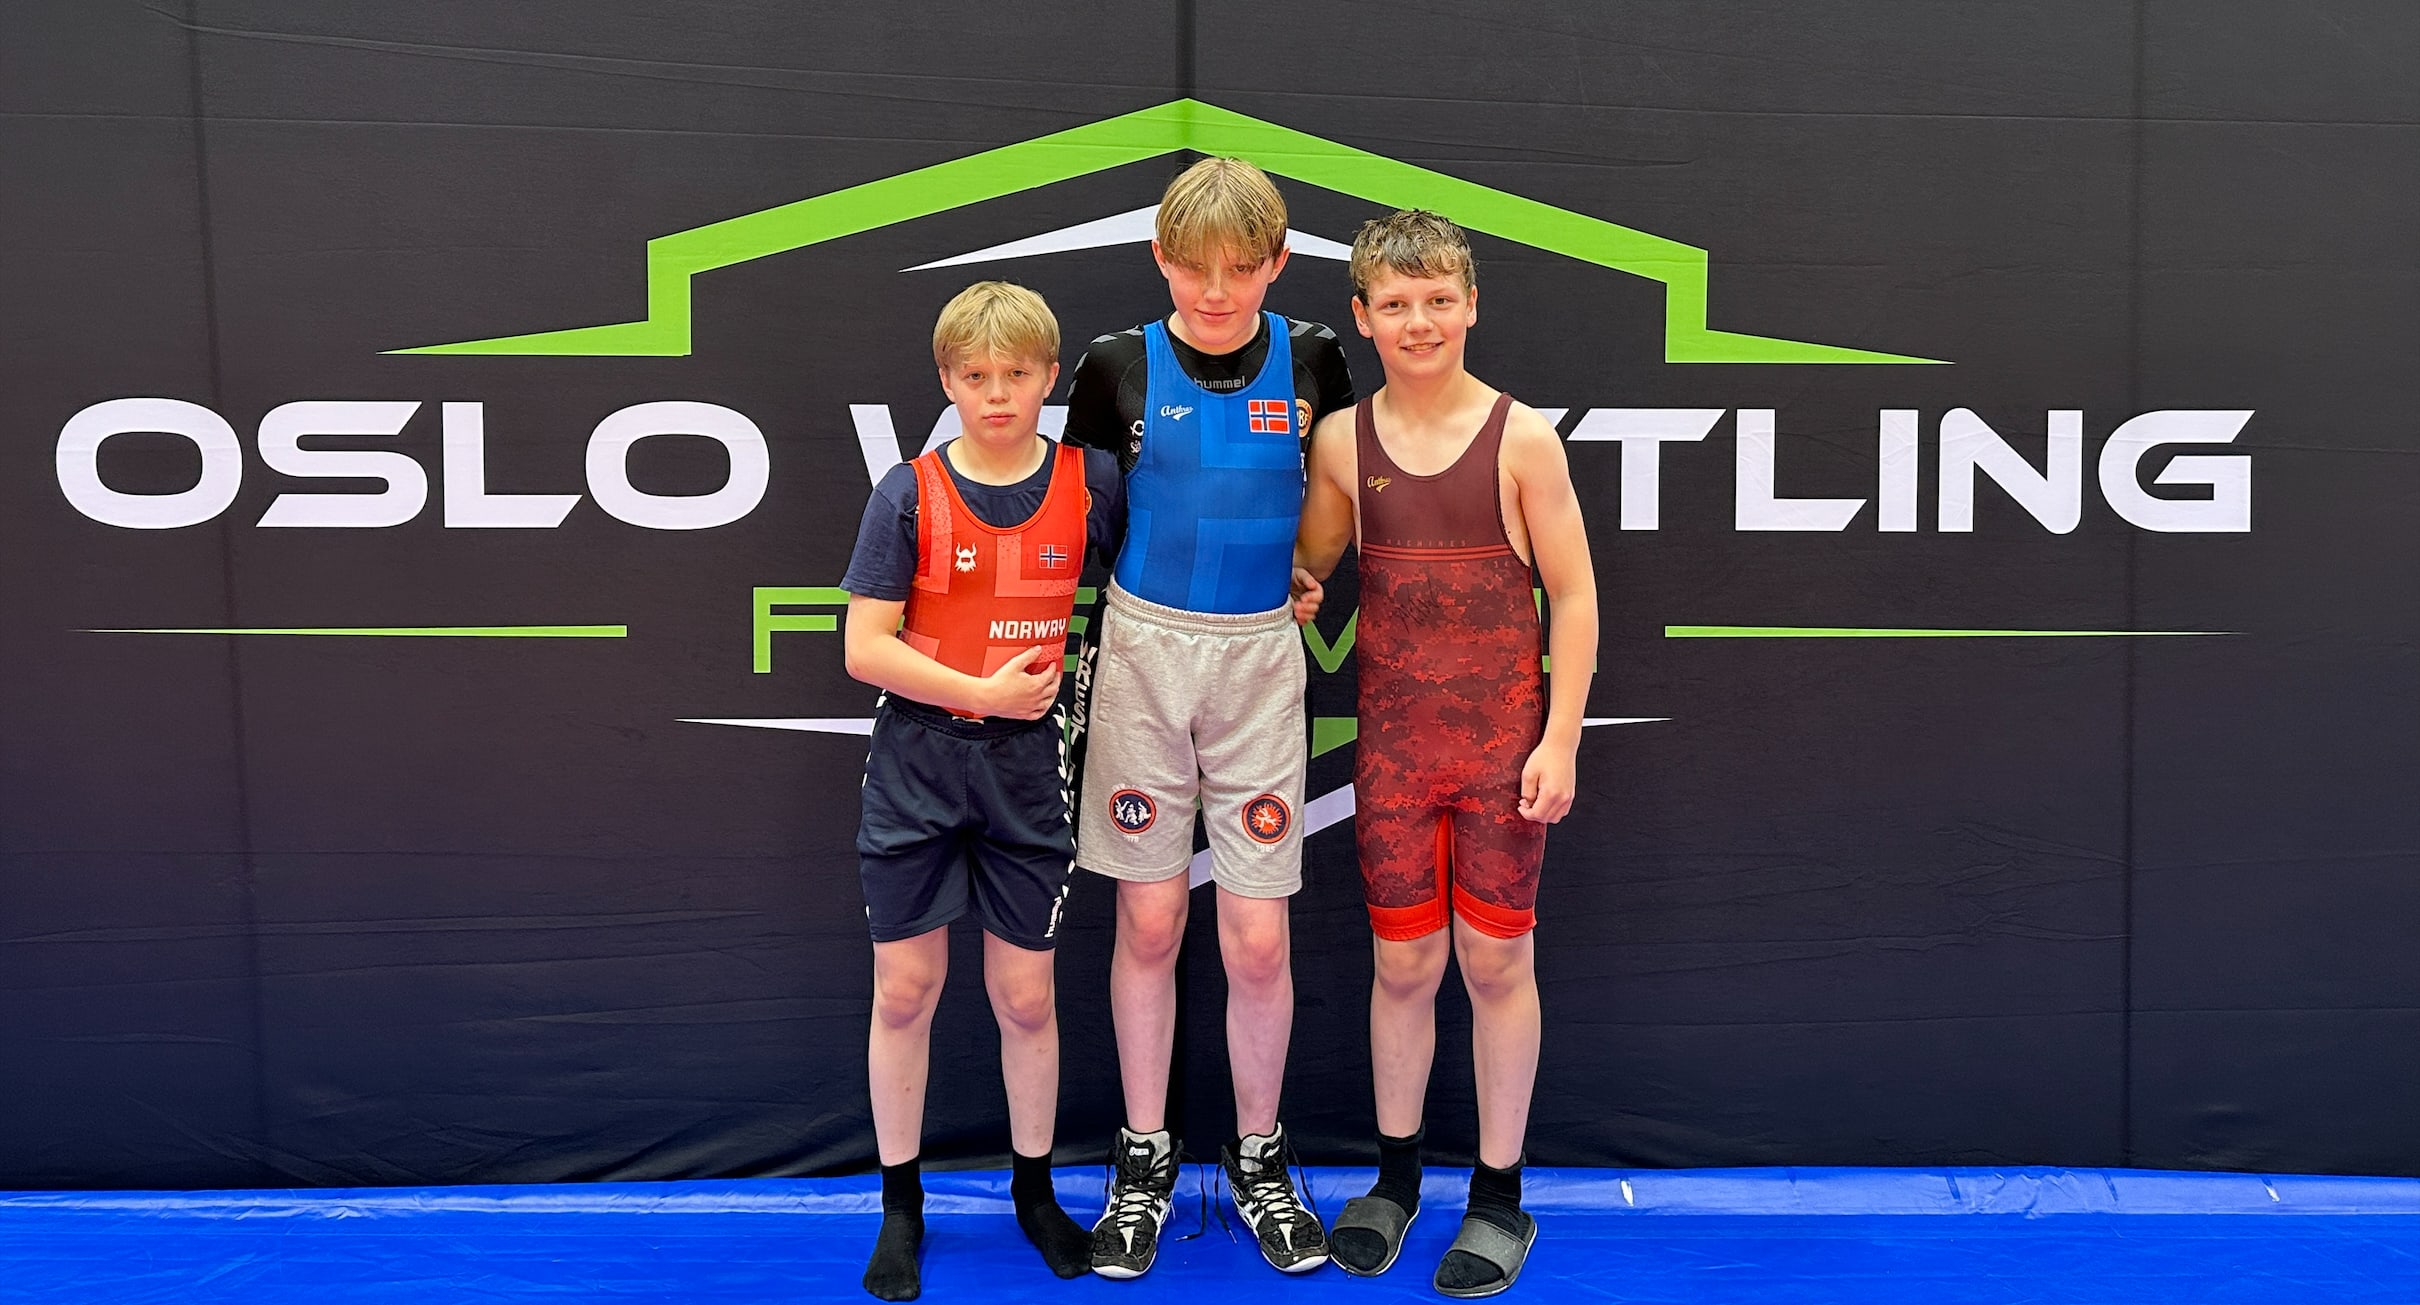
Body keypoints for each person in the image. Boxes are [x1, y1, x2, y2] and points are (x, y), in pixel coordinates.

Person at [1292, 209, 1598, 1297]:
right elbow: (1305, 566)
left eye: (1436, 300)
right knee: (1404, 966)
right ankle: (1394, 1180)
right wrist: (1285, 582)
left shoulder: (1521, 439)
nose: (1417, 321)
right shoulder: (1341, 443)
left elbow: (1573, 594)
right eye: (1395, 304)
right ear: (1362, 316)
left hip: (1502, 759)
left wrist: (1559, 738)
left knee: (1496, 964)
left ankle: (1500, 1196)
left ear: (1470, 304)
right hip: (1394, 761)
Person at [1059, 156, 1356, 1278]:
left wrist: (1307, 572)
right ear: (1159, 259)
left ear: (1277, 262)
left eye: (1240, 268)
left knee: (1257, 935)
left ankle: (1258, 1157)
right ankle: (1143, 1157)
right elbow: (1080, 521)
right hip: (1142, 648)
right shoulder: (1114, 364)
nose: (1216, 291)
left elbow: (1334, 493)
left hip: (1258, 658)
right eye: (1192, 269)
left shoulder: (1316, 357)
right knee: (1146, 923)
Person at [838, 280, 1125, 1300]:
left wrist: (1289, 581)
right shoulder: (908, 492)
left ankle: (1034, 1194)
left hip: (1029, 770)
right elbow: (863, 648)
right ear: (946, 380)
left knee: (1025, 995)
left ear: (1049, 378)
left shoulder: (1092, 482)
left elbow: (1158, 582)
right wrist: (979, 693)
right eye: (974, 376)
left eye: (1015, 374)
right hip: (917, 762)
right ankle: (900, 1206)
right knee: (905, 989)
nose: (996, 393)